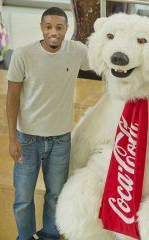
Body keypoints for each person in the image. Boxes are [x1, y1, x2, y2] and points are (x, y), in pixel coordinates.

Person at [6, 7, 89, 240]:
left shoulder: (77, 51)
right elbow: (11, 97)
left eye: (59, 27)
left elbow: (104, 62)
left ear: (66, 29)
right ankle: (24, 237)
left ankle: (50, 236)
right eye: (49, 27)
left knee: (56, 195)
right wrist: (12, 138)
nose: (54, 32)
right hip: (27, 139)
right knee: (23, 198)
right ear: (42, 28)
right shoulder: (23, 55)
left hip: (61, 140)